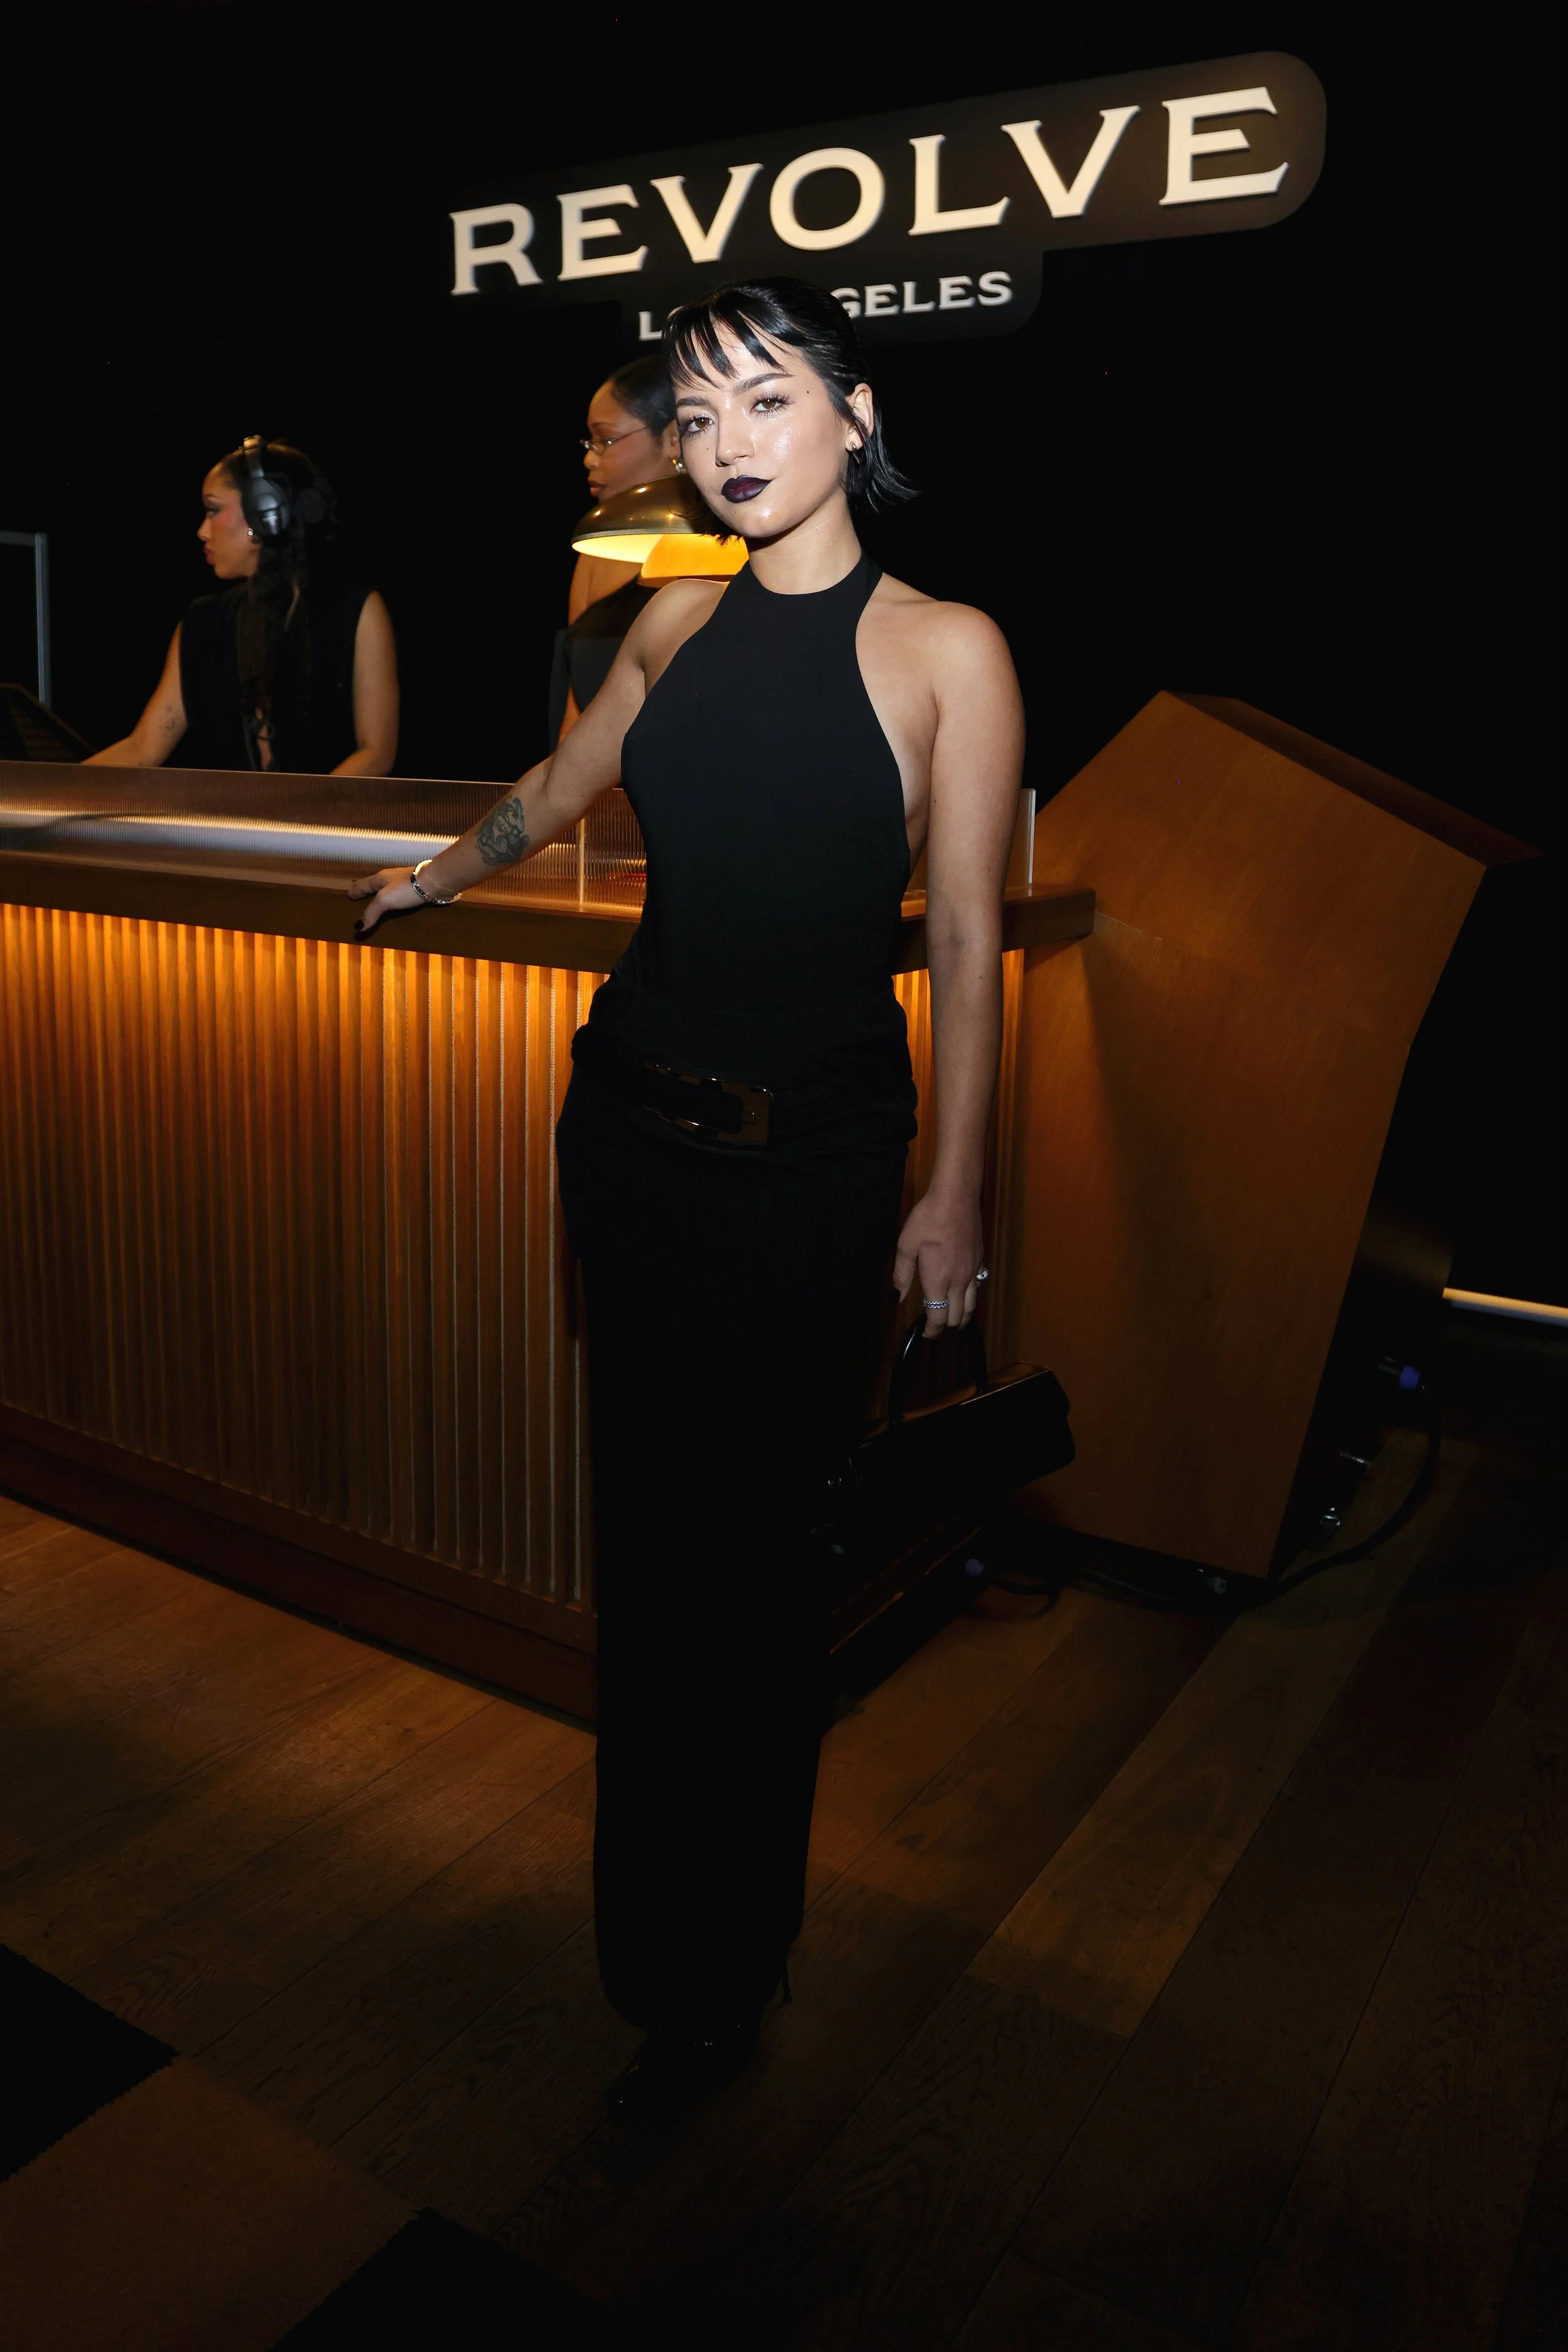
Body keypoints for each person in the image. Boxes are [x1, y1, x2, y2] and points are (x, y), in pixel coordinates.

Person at [351, 278, 1023, 2114]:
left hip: (809, 1176)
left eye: (765, 401)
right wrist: (441, 869)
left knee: (754, 1587)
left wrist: (951, 1193)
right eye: (700, 411)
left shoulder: (946, 647)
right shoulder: (658, 622)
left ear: (853, 415)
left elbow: (960, 940)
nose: (726, 442)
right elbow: (555, 788)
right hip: (631, 1148)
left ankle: (729, 1959)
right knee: (651, 1576)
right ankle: (658, 1966)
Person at [88, 439, 398, 775]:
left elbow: (376, 752)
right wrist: (45, 792)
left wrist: (300, 822)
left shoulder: (356, 611)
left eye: (213, 510)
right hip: (228, 826)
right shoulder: (202, 624)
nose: (202, 531)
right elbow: (143, 747)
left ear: (265, 513)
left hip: (322, 826)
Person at [549, 354, 681, 745]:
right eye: (591, 442)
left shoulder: (728, 544)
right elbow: (577, 716)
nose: (590, 457)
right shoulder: (595, 550)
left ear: (674, 437)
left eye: (606, 440)